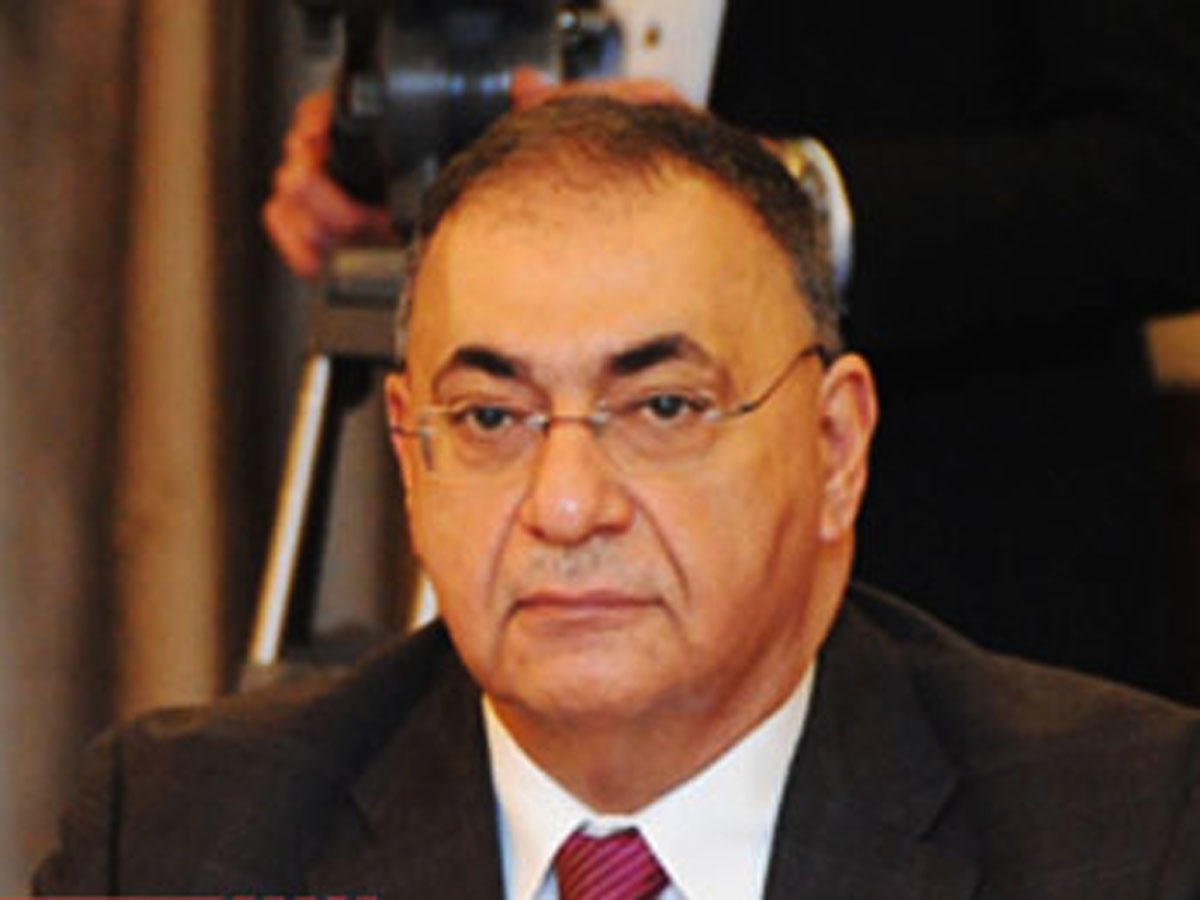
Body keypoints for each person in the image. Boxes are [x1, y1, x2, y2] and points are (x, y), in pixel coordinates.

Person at [37, 97, 1200, 898]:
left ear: (836, 446)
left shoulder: (1129, 835)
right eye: (490, 419)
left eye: (662, 409)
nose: (566, 505)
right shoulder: (185, 839)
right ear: (409, 454)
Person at [264, 0, 1200, 701]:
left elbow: (1168, 167)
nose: (571, 508)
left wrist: (788, 194)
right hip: (538, 609)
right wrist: (399, 147)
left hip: (955, 543)